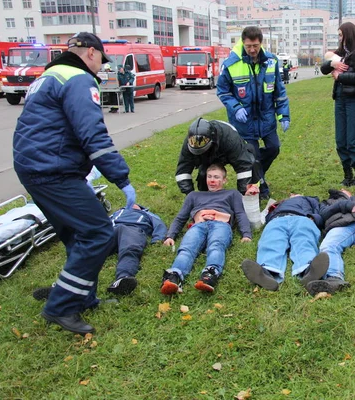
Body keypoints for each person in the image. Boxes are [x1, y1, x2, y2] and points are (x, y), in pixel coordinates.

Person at [13, 32, 136, 335]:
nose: (100, 68)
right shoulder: (79, 80)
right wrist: (121, 177)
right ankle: (61, 306)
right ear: (92, 53)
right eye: (101, 61)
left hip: (34, 166)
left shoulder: (50, 74)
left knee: (77, 235)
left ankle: (83, 296)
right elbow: (92, 134)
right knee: (98, 233)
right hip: (52, 170)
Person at [217, 26, 290, 201]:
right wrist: (236, 107)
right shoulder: (231, 64)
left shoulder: (271, 61)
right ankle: (261, 185)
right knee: (254, 156)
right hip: (244, 122)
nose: (252, 50)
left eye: (255, 45)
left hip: (266, 119)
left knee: (274, 148)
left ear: (261, 43)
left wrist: (284, 115)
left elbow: (279, 92)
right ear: (243, 43)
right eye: (249, 45)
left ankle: (254, 175)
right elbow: (223, 91)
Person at [33, 204, 167, 299]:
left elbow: (159, 225)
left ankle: (122, 279)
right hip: (109, 231)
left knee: (130, 249)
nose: (131, 204)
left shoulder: (147, 214)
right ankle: (63, 286)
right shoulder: (117, 212)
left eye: (135, 204)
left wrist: (157, 239)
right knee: (89, 252)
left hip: (132, 229)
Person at [162, 164, 252, 294]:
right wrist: (170, 235)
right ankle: (174, 276)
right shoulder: (193, 195)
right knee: (187, 249)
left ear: (224, 180)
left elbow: (240, 213)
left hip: (220, 224)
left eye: (216, 177)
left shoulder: (232, 193)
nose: (212, 180)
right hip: (198, 225)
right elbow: (181, 217)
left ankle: (209, 275)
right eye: (209, 176)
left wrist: (246, 234)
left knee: (216, 245)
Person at [321, 22, 355, 190]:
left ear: (349, 34)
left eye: (341, 35)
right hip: (340, 99)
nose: (340, 38)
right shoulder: (342, 51)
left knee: (352, 141)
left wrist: (339, 77)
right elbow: (323, 69)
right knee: (340, 141)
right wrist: (332, 65)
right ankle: (347, 176)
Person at [241, 194, 329, 291]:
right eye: (291, 195)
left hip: (302, 218)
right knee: (272, 240)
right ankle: (267, 271)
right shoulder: (278, 204)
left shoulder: (310, 200)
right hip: (278, 220)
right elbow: (267, 215)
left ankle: (309, 269)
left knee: (304, 239)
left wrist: (313, 218)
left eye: (295, 194)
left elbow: (322, 214)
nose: (293, 194)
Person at [175, 117, 261, 196]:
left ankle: (258, 192)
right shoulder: (190, 142)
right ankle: (207, 198)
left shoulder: (230, 138)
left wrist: (242, 195)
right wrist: (191, 196)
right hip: (208, 156)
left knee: (251, 163)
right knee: (203, 174)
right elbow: (183, 170)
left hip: (226, 151)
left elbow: (243, 166)